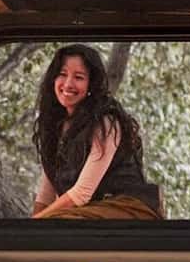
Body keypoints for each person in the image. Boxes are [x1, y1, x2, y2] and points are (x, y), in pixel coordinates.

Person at [30, 45, 163, 220]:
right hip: (87, 210)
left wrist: (37, 222)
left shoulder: (106, 123)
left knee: (57, 224)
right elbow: (45, 195)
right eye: (62, 74)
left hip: (125, 207)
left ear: (91, 84)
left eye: (79, 77)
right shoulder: (54, 125)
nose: (68, 84)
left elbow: (81, 193)